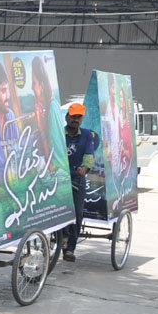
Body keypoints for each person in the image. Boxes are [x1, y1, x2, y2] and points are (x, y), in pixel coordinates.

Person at [62, 102, 97, 262]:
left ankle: (70, 248)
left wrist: (85, 167)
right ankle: (59, 237)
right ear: (67, 117)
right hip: (59, 179)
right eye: (73, 116)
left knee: (76, 213)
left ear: (81, 119)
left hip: (77, 179)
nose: (75, 120)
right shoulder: (59, 134)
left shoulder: (87, 135)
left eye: (78, 117)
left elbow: (89, 156)